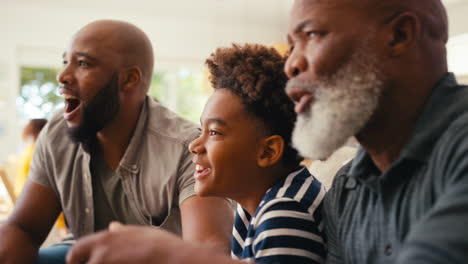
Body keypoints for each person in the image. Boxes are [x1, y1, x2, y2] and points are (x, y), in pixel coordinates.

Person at [66, 44, 326, 264]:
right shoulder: (258, 206)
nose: (194, 145)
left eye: (214, 133)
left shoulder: (284, 212)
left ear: (268, 151)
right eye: (201, 129)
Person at [0, 20, 234, 264]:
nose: (63, 76)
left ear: (129, 79)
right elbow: (23, 229)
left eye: (82, 64)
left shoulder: (187, 147)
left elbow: (209, 252)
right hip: (85, 252)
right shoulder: (57, 133)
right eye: (65, 62)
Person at [284, 0, 468, 263]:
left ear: (399, 35)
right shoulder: (345, 189)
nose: (291, 65)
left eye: (312, 35)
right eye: (291, 46)